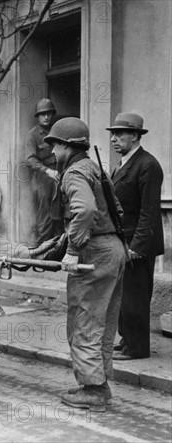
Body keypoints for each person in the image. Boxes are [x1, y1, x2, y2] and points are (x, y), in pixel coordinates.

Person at [44, 117, 126, 411]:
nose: (52, 151)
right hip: (114, 248)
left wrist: (74, 248)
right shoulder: (96, 168)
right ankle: (99, 385)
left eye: (54, 145)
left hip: (94, 252)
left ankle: (93, 390)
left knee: (84, 320)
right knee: (102, 323)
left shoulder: (73, 173)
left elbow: (86, 210)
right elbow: (116, 209)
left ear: (67, 146)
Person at [107, 112, 164, 360]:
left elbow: (149, 212)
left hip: (138, 244)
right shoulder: (123, 163)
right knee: (124, 295)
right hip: (123, 241)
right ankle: (126, 340)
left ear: (135, 135)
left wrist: (137, 246)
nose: (114, 139)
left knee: (136, 297)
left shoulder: (148, 165)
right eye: (113, 134)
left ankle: (137, 348)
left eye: (119, 134)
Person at [25, 98, 64, 244]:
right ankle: (42, 251)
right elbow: (29, 159)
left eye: (49, 113)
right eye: (42, 114)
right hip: (42, 177)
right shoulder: (32, 135)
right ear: (38, 116)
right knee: (45, 215)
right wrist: (46, 170)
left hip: (59, 173)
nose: (46, 117)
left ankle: (59, 249)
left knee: (60, 212)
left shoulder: (57, 131)